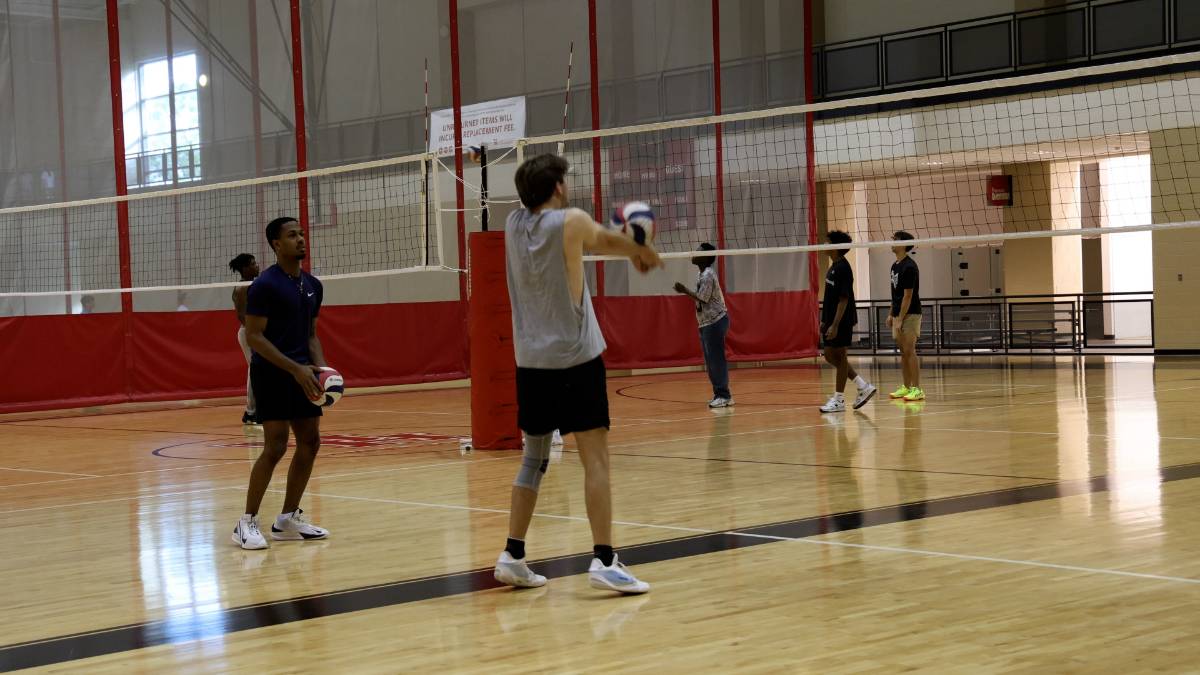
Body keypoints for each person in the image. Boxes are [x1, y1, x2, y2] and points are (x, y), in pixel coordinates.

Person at [493, 153, 662, 594]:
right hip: (576, 361)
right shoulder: (570, 221)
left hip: (530, 364)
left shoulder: (512, 225)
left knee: (533, 459)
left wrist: (633, 247)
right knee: (595, 460)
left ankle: (513, 555)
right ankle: (605, 560)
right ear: (559, 188)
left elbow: (604, 242)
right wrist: (642, 246)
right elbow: (608, 242)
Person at [232, 217, 330, 550]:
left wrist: (321, 371)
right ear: (276, 244)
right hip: (273, 372)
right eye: (292, 235)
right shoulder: (264, 286)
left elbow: (312, 334)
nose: (301, 239)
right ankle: (245, 523)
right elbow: (255, 337)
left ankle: (287, 519)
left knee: (311, 441)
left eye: (302, 233)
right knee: (275, 446)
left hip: (302, 372)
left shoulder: (313, 285)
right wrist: (293, 368)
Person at [819, 231, 876, 412]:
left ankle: (839, 399)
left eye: (827, 242)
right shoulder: (833, 266)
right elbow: (830, 298)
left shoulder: (843, 268)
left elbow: (844, 300)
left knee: (841, 356)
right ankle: (862, 385)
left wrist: (835, 325)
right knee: (829, 355)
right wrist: (825, 320)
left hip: (842, 320)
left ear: (835, 247)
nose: (824, 244)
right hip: (831, 320)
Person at [673, 243, 733, 408]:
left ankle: (723, 395)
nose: (694, 253)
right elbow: (701, 299)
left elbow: (703, 298)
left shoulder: (707, 274)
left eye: (698, 252)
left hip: (715, 321)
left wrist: (684, 290)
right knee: (711, 361)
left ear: (706, 257)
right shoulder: (701, 274)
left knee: (716, 360)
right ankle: (721, 394)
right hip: (707, 322)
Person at [887, 230, 924, 402]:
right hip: (898, 313)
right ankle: (906, 387)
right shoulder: (895, 265)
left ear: (902, 244)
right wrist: (891, 314)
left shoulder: (909, 266)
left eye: (895, 239)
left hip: (910, 313)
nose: (891, 242)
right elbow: (895, 294)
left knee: (910, 350)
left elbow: (908, 295)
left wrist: (901, 317)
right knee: (902, 352)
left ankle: (917, 389)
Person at [229, 253, 262, 425]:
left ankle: (252, 411)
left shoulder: (255, 284)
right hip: (248, 332)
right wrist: (256, 333)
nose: (257, 265)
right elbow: (242, 315)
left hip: (257, 333)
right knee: (257, 369)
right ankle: (253, 412)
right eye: (253, 263)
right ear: (244, 269)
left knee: (257, 369)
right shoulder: (242, 288)